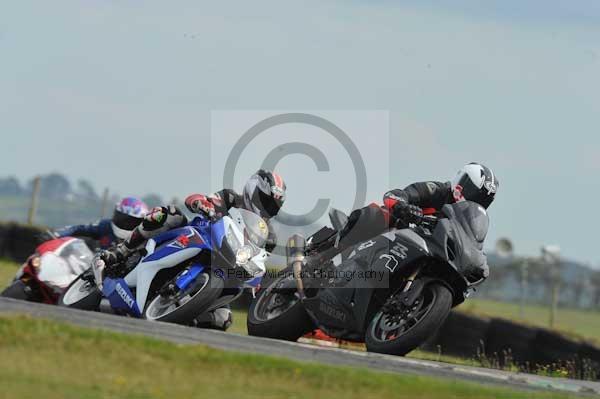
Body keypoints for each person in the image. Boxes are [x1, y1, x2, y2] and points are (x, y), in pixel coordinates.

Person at [99, 169, 287, 330]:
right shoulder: (231, 198)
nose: (267, 207)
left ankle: (182, 320)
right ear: (253, 190)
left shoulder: (269, 236)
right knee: (166, 215)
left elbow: (261, 258)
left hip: (227, 265)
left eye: (273, 205)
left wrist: (255, 283)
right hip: (198, 235)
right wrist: (202, 204)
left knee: (223, 319)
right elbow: (199, 200)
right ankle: (123, 250)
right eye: (265, 200)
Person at [318, 163, 498, 265]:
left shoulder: (467, 224)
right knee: (378, 215)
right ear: (461, 184)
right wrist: (405, 207)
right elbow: (397, 195)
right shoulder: (438, 191)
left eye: (483, 200)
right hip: (394, 233)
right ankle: (320, 257)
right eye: (475, 195)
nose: (477, 203)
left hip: (418, 253)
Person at [53, 197, 149, 249]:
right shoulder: (105, 225)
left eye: (131, 221)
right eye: (123, 218)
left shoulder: (143, 239)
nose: (126, 223)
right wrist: (56, 234)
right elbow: (77, 228)